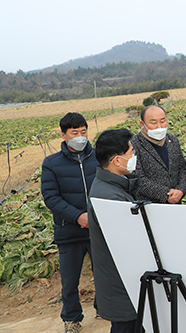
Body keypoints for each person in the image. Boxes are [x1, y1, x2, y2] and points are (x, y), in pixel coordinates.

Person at [41, 112, 99, 333]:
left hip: (98, 228)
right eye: (74, 133)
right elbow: (51, 198)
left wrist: (94, 215)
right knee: (70, 281)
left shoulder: (98, 157)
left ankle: (103, 307)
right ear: (63, 134)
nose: (80, 137)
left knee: (103, 274)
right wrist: (78, 216)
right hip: (69, 231)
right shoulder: (52, 163)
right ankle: (71, 318)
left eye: (83, 132)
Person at [88, 129, 138, 332]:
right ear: (117, 161)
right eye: (132, 153)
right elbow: (130, 245)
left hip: (119, 284)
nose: (135, 157)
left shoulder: (110, 185)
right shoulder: (111, 197)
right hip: (120, 287)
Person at [130, 105, 186, 204]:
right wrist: (165, 194)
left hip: (176, 202)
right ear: (142, 124)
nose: (159, 126)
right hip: (151, 205)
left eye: (163, 121)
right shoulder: (134, 145)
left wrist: (181, 190)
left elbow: (182, 168)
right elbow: (138, 178)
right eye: (153, 123)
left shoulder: (173, 140)